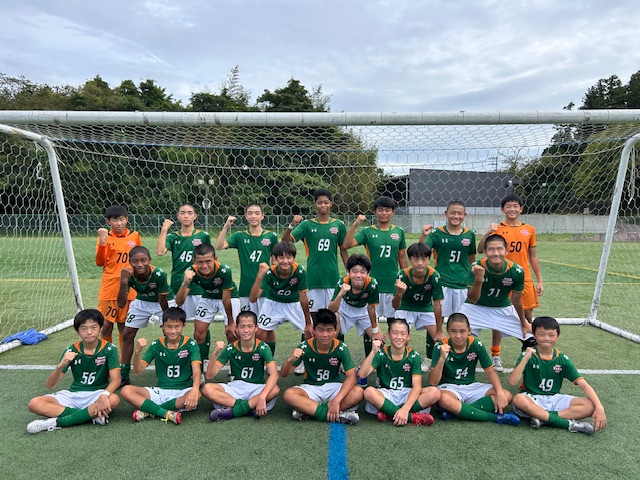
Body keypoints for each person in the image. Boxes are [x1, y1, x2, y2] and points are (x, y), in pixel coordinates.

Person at [26, 309, 121, 434]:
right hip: (74, 395)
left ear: (101, 328)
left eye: (93, 327)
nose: (89, 332)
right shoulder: (71, 350)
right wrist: (61, 365)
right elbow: (50, 385)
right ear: (77, 331)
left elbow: (116, 379)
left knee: (114, 399)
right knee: (34, 403)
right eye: (84, 328)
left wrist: (104, 395)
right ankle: (90, 415)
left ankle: (57, 422)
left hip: (97, 394)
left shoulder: (109, 348)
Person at [477, 194, 543, 372]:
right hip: (500, 278)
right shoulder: (497, 229)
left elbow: (533, 256)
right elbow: (480, 249)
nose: (512, 209)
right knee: (498, 316)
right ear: (502, 209)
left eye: (515, 206)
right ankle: (496, 355)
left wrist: (539, 280)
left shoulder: (529, 229)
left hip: (523, 277)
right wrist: (488, 232)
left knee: (527, 317)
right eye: (508, 206)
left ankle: (529, 352)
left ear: (521, 209)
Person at [509, 316, 606, 435]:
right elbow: (512, 382)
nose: (546, 338)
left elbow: (584, 385)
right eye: (542, 334)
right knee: (519, 400)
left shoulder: (562, 359)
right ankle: (568, 424)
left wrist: (599, 407)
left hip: (553, 398)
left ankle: (543, 418)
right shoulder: (527, 355)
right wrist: (526, 358)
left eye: (551, 335)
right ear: (534, 335)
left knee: (590, 406)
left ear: (557, 336)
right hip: (532, 398)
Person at [429, 313, 520, 426]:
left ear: (469, 330)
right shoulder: (440, 347)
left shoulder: (476, 344)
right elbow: (433, 382)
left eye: (462, 331)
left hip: (471, 386)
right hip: (449, 388)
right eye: (453, 331)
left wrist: (500, 392)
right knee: (444, 400)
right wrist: (442, 358)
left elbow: (490, 371)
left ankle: (456, 411)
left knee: (506, 396)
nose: (458, 336)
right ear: (447, 331)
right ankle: (495, 417)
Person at [343, 196, 407, 356]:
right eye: (380, 210)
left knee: (395, 324)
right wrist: (355, 224)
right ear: (375, 212)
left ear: (393, 212)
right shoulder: (368, 231)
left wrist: (406, 278)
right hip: (373, 286)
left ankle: (395, 358)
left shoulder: (399, 231)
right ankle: (370, 359)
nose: (384, 213)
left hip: (392, 285)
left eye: (387, 210)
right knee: (371, 324)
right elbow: (346, 245)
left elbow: (402, 257)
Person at [459, 234, 535, 365]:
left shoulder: (516, 271)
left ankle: (528, 370)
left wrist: (523, 322)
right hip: (475, 308)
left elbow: (516, 300)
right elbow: (472, 299)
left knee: (532, 340)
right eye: (491, 249)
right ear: (485, 252)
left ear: (506, 251)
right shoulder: (476, 266)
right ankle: (461, 370)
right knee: (459, 338)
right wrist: (479, 279)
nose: (495, 253)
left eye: (499, 249)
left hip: (503, 308)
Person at [281, 308, 363, 424]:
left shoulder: (341, 348)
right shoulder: (305, 346)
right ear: (314, 330)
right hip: (311, 387)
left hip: (334, 387)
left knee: (358, 392)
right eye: (320, 330)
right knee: (289, 394)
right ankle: (338, 415)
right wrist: (290, 360)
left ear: (335, 331)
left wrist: (336, 400)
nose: (325, 335)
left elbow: (352, 377)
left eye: (329, 330)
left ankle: (309, 410)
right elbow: (284, 374)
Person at [120, 307, 201, 425]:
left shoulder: (191, 344)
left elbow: (196, 371)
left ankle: (150, 410)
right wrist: (137, 353)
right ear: (162, 326)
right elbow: (137, 371)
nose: (173, 331)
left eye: (177, 327)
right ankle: (165, 412)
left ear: (184, 326)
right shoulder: (156, 345)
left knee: (197, 394)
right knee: (126, 390)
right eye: (169, 327)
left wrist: (194, 389)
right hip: (161, 390)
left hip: (183, 390)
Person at [420, 200, 476, 365]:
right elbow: (422, 252)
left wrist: (471, 282)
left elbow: (472, 259)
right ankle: (430, 357)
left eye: (459, 213)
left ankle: (461, 357)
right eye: (453, 212)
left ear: (464, 215)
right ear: (446, 213)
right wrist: (423, 236)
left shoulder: (469, 234)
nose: (456, 216)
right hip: (442, 283)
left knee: (462, 322)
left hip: (462, 285)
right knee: (436, 321)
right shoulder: (436, 233)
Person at [358, 318, 440, 426]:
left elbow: (417, 386)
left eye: (403, 333)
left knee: (434, 392)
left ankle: (389, 413)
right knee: (369, 392)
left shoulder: (414, 356)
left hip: (406, 393)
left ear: (408, 336)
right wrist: (373, 352)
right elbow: (362, 374)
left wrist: (405, 409)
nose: (399, 337)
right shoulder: (381, 354)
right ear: (388, 334)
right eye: (395, 333)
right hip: (387, 394)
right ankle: (412, 417)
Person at [202, 311, 280, 421]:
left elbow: (274, 374)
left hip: (257, 387)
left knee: (274, 389)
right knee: (207, 389)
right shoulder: (231, 348)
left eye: (250, 326)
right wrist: (215, 354)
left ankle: (232, 412)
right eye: (242, 327)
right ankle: (249, 408)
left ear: (256, 328)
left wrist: (262, 396)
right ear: (237, 328)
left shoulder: (263, 347)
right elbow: (210, 375)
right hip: (236, 387)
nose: (246, 330)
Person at [117, 246, 174, 386]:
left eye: (143, 260)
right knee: (127, 333)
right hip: (141, 301)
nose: (140, 264)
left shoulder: (159, 274)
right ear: (130, 262)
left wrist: (167, 319)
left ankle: (169, 368)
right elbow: (121, 304)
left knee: (170, 333)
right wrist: (123, 283)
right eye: (135, 261)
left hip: (163, 302)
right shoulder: (128, 274)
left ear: (150, 260)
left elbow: (162, 299)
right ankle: (124, 373)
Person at [175, 244, 237, 363]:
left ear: (215, 259)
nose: (204, 266)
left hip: (230, 297)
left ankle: (235, 366)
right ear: (194, 261)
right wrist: (185, 283)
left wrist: (231, 322)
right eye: (200, 262)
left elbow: (226, 300)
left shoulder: (224, 271)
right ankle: (202, 362)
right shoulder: (191, 272)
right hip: (208, 296)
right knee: (198, 333)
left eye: (208, 261)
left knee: (232, 333)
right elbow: (179, 302)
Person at [249, 241, 313, 356]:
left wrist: (308, 323)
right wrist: (260, 275)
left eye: (289, 257)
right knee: (259, 333)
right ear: (275, 258)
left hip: (294, 303)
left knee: (310, 333)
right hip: (273, 303)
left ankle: (306, 360)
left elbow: (303, 298)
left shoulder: (299, 271)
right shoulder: (269, 272)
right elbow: (253, 298)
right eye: (281, 257)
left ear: (294, 258)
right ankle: (267, 360)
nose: (285, 261)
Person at [328, 253, 381, 386]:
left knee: (379, 340)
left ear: (368, 273)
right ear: (348, 272)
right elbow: (332, 309)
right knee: (330, 334)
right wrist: (341, 294)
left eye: (363, 272)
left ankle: (378, 375)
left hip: (363, 310)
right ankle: (334, 371)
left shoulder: (372, 284)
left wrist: (375, 330)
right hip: (344, 309)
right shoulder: (342, 282)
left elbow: (371, 309)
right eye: (355, 271)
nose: (358, 275)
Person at [215, 203, 278, 314]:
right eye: (250, 213)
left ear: (262, 216)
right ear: (246, 216)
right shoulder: (239, 236)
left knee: (265, 323)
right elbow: (219, 246)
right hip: (246, 288)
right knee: (246, 322)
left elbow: (275, 262)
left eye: (257, 213)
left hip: (265, 288)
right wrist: (226, 226)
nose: (253, 216)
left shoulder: (271, 236)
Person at [392, 242, 445, 373]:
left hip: (425, 307)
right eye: (416, 259)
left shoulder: (434, 276)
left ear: (429, 259)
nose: (420, 263)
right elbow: (395, 305)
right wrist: (399, 294)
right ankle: (399, 365)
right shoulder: (402, 275)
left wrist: (439, 330)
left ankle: (436, 365)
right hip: (405, 307)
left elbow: (437, 304)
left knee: (441, 341)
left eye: (424, 259)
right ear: (410, 259)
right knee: (400, 339)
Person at [96, 205, 142, 351]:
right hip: (109, 288)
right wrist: (102, 242)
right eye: (115, 220)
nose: (119, 223)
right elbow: (100, 262)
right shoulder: (105, 237)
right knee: (106, 326)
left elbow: (140, 259)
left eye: (121, 219)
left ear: (127, 220)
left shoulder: (134, 236)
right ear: (108, 222)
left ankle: (123, 359)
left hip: (129, 288)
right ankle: (106, 355)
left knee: (124, 326)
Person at [155, 202, 212, 321]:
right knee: (176, 322)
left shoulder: (203, 236)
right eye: (183, 213)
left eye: (190, 213)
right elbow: (160, 252)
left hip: (198, 286)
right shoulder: (173, 237)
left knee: (202, 324)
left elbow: (210, 259)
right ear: (178, 216)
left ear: (195, 216)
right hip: (178, 284)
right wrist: (164, 229)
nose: (186, 216)